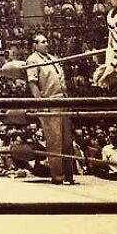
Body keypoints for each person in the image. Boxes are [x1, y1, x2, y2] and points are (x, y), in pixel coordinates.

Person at [25, 34, 75, 185]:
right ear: (35, 45)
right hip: (49, 102)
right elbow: (33, 84)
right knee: (54, 142)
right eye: (43, 42)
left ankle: (69, 175)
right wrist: (41, 104)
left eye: (46, 41)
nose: (46, 44)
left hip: (63, 101)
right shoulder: (32, 60)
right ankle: (58, 177)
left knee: (67, 141)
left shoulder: (53, 58)